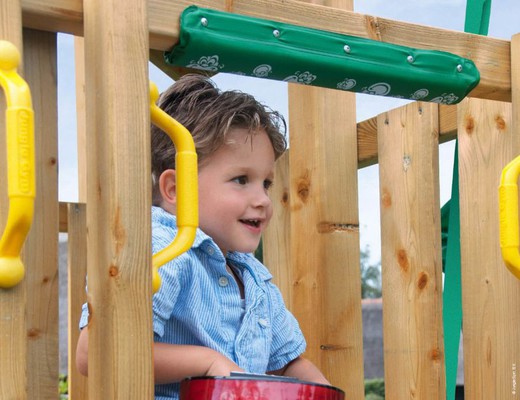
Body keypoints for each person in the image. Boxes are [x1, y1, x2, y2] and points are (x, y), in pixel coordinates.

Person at [75, 74, 330, 399]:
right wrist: (207, 361)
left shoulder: (255, 280)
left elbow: (290, 363)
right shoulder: (162, 249)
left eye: (265, 183)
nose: (263, 199)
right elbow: (94, 352)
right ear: (176, 189)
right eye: (241, 179)